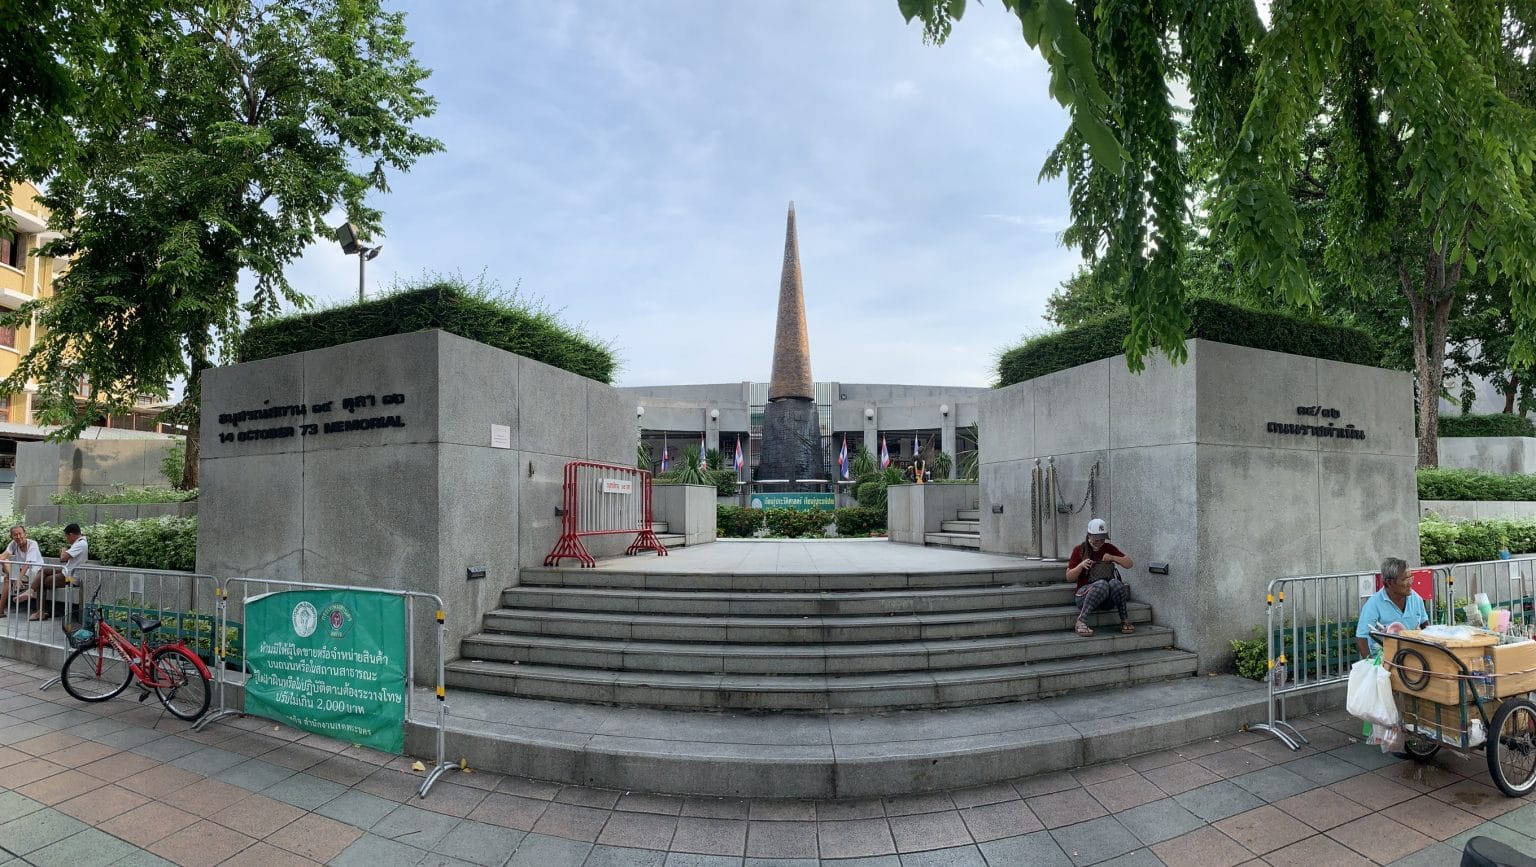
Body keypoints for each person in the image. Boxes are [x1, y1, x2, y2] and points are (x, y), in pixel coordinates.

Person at [1066, 518, 1134, 637]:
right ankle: (1081, 621)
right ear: (1089, 535)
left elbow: (1129, 563)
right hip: (1084, 595)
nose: (1100, 541)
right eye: (1097, 538)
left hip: (1106, 599)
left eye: (1102, 538)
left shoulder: (1108, 548)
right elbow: (1069, 577)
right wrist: (1081, 566)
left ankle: (1125, 620)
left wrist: (1113, 557)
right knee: (1102, 584)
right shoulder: (1079, 550)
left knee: (1115, 583)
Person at [1355, 557, 1429, 659]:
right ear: (1389, 582)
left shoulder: (1416, 598)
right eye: (1405, 579)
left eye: (1411, 577)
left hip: (1413, 657)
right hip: (1384, 660)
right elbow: (1362, 637)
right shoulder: (1373, 604)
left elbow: (1425, 625)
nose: (1410, 583)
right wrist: (1371, 664)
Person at [15, 522, 88, 621]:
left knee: (42, 582)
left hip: (73, 578)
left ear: (71, 534)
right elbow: (67, 559)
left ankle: (39, 611)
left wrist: (63, 550)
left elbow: (63, 558)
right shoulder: (79, 542)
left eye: (66, 537)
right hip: (67, 572)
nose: (67, 539)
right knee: (43, 570)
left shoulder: (81, 544)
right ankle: (30, 592)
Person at [0, 525, 43, 617]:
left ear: (25, 534)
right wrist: (17, 578)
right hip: (20, 572)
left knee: (7, 579)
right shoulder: (13, 543)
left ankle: (0, 610)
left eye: (20, 534)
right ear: (12, 537)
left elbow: (27, 564)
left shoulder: (33, 544)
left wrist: (18, 578)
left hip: (34, 571)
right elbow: (2, 557)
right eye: (15, 535)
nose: (18, 537)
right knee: (6, 563)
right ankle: (1, 611)